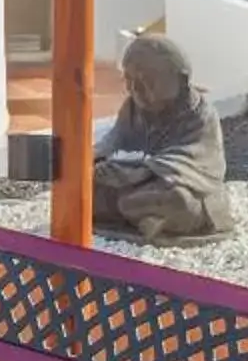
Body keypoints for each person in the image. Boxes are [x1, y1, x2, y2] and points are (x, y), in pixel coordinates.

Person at [93, 33, 235, 244]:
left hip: (177, 185)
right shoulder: (132, 109)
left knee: (178, 200)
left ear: (181, 79)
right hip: (133, 184)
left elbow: (198, 161)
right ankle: (146, 220)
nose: (136, 90)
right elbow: (114, 141)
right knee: (88, 188)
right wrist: (100, 160)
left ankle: (148, 217)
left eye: (146, 80)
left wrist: (144, 170)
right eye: (129, 81)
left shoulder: (200, 114)